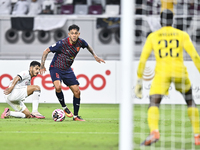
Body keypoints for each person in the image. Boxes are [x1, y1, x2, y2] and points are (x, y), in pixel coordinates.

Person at [134, 9, 200, 146]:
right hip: (180, 72)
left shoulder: (153, 36)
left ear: (160, 21)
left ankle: (154, 131)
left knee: (153, 102)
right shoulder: (182, 35)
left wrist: (139, 79)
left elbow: (143, 60)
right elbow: (194, 56)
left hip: (162, 73)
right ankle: (197, 135)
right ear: (173, 20)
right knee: (190, 101)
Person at [40, 24, 105, 121]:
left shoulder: (80, 42)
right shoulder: (61, 43)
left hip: (67, 69)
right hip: (56, 68)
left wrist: (95, 56)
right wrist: (42, 65)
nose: (74, 35)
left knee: (77, 92)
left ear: (78, 34)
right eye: (72, 33)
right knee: (58, 86)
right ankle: (64, 107)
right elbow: (46, 51)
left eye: (76, 33)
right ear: (69, 34)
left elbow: (88, 46)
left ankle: (76, 116)